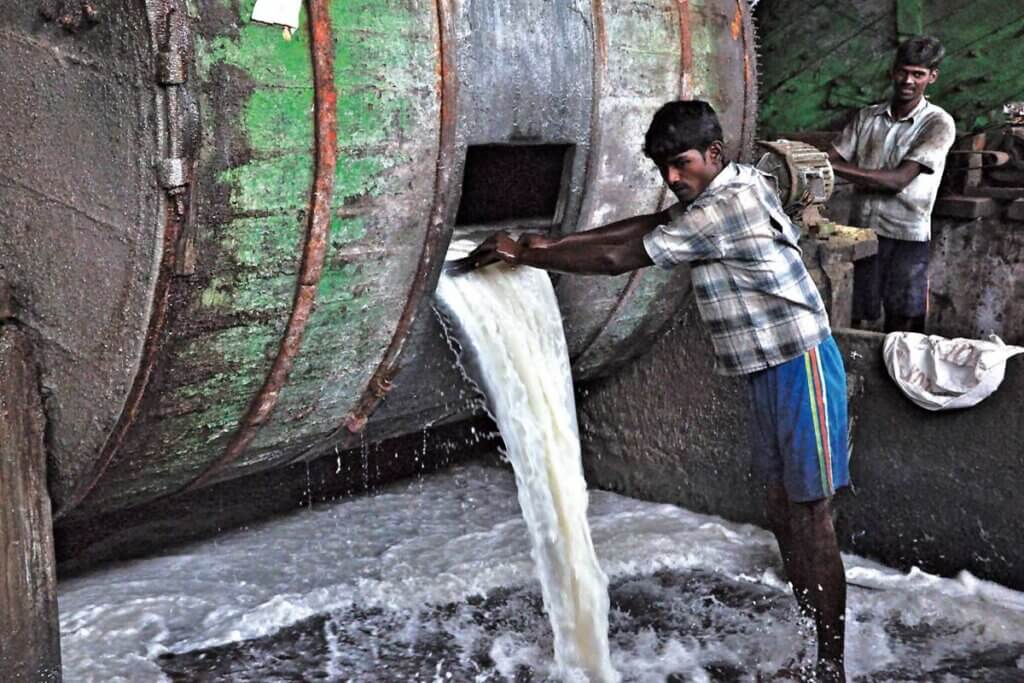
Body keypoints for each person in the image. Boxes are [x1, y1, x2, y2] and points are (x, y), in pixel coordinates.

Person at [465, 100, 851, 681]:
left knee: (811, 514)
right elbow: (647, 228)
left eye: (681, 164)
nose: (672, 179)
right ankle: (810, 643)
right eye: (662, 167)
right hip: (767, 370)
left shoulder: (731, 202)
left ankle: (831, 665)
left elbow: (624, 254)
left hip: (802, 365)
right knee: (784, 511)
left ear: (714, 155)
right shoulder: (723, 187)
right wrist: (539, 245)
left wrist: (528, 252)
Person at [828, 36, 956, 333]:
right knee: (857, 315)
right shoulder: (867, 117)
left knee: (903, 325)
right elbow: (829, 158)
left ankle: (898, 380)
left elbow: (898, 180)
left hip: (906, 239)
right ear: (892, 71)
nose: (908, 81)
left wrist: (832, 166)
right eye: (903, 71)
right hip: (863, 235)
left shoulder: (937, 123)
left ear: (932, 77)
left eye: (918, 74)